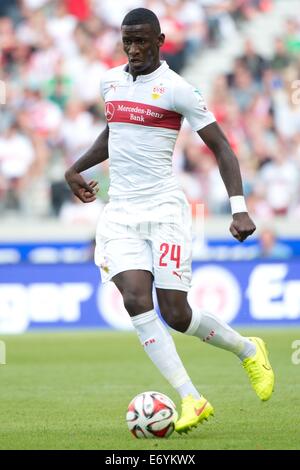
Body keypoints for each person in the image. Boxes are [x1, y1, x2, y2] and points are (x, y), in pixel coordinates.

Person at [65, 8, 274, 434]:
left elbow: (222, 148)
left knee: (176, 313)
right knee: (135, 301)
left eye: (143, 40)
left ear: (161, 40)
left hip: (164, 211)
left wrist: (238, 207)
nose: (134, 49)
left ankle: (249, 350)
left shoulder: (178, 89)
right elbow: (115, 131)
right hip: (120, 212)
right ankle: (191, 398)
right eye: (128, 40)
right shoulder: (110, 81)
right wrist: (76, 168)